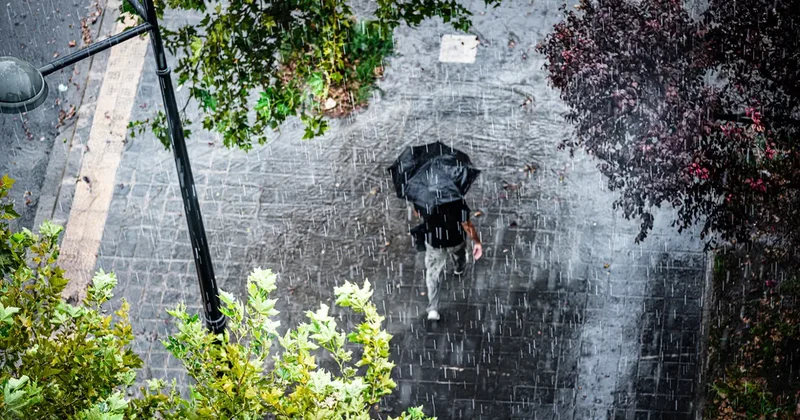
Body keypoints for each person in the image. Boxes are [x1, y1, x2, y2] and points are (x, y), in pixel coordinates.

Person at [414, 199, 482, 321]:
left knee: (433, 274)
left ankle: (433, 309)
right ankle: (459, 268)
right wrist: (476, 241)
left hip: (434, 242)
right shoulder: (455, 200)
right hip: (456, 239)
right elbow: (466, 224)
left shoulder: (422, 197)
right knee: (459, 254)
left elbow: (417, 213)